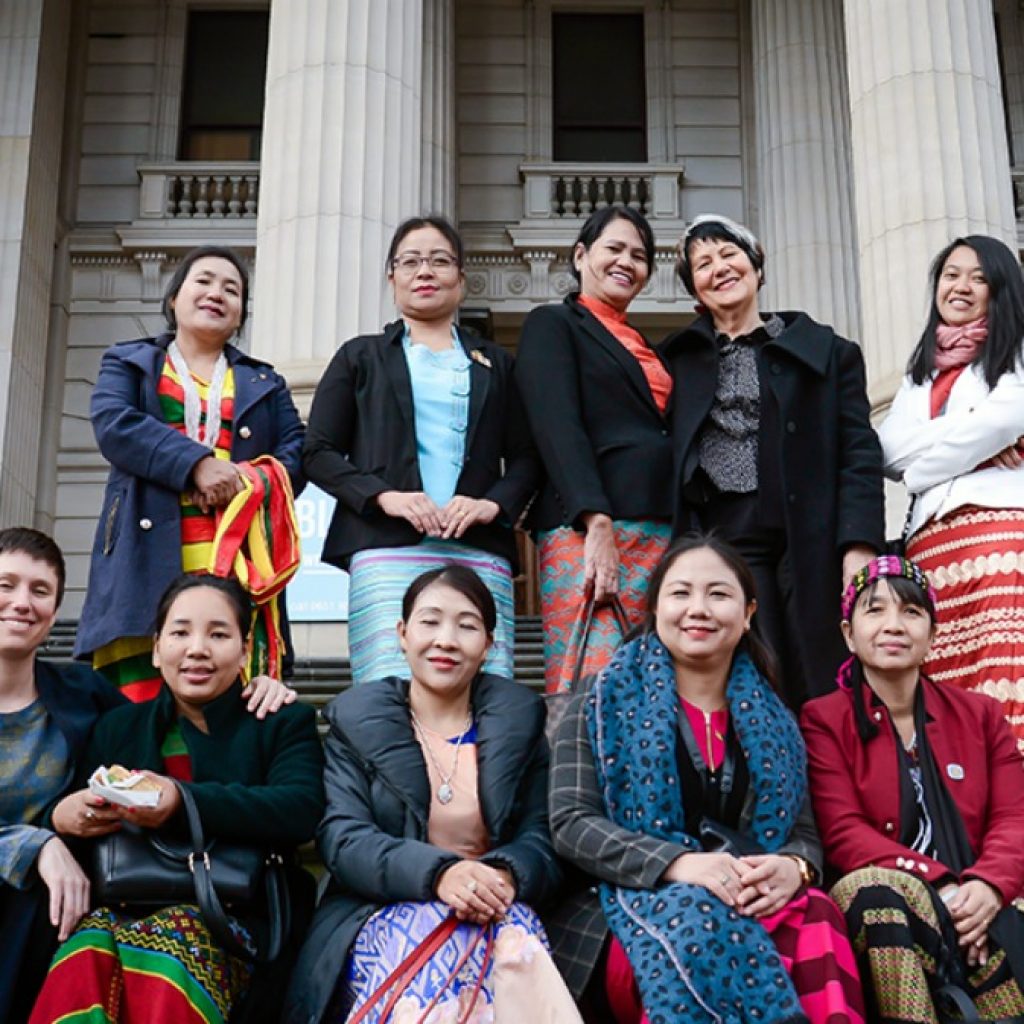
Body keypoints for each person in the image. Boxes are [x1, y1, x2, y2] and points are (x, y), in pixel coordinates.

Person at [547, 534, 865, 1024]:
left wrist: (793, 869)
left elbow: (802, 833)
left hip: (750, 894)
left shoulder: (776, 720)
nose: (698, 609)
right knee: (693, 916)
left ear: (749, 612)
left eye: (718, 594)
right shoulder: (599, 701)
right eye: (680, 593)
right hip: (632, 906)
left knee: (818, 912)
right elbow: (570, 823)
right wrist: (675, 864)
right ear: (654, 607)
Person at [284, 565, 579, 1024]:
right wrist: (440, 876)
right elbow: (343, 839)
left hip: (496, 905)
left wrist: (503, 873)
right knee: (427, 932)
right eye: (430, 621)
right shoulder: (357, 725)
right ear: (402, 634)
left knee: (512, 940)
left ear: (489, 645)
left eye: (466, 625)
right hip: (378, 910)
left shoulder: (519, 727)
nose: (446, 639)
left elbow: (543, 835)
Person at [29, 574, 325, 1024]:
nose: (197, 649)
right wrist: (64, 816)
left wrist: (182, 800)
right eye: (180, 632)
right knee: (84, 951)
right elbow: (73, 816)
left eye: (219, 634)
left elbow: (301, 809)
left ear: (245, 651)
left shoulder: (279, 720)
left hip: (237, 919)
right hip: (126, 904)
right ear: (155, 647)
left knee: (172, 946)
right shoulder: (118, 726)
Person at [303, 216, 538, 684]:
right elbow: (318, 451)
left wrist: (491, 504)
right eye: (410, 261)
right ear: (392, 278)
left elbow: (529, 457)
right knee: (387, 693)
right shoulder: (360, 356)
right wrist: (383, 496)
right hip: (385, 548)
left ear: (462, 280)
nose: (424, 271)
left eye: (439, 261)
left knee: (486, 693)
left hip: (477, 549)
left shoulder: (497, 364)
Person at [663, 215, 884, 707]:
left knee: (826, 672)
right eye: (703, 264)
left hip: (811, 535)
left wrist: (859, 543)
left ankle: (832, 780)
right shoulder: (675, 361)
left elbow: (859, 451)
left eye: (729, 254)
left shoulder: (828, 352)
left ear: (757, 266)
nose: (719, 268)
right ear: (695, 290)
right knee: (752, 673)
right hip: (726, 539)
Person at [75, 244, 306, 700]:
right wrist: (196, 466)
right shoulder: (129, 362)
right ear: (174, 298)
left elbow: (295, 453)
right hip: (145, 561)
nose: (216, 294)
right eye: (203, 281)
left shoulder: (267, 382)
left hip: (236, 563)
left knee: (226, 702)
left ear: (240, 315)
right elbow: (114, 424)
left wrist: (241, 481)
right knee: (140, 710)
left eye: (232, 290)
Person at [801, 555, 1024, 1023]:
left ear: (933, 635)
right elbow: (843, 833)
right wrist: (939, 883)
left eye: (911, 612)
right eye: (875, 610)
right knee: (875, 890)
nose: (893, 625)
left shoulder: (980, 714)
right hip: (890, 898)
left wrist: (986, 885)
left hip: (976, 894)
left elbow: (1015, 816)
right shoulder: (823, 719)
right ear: (848, 634)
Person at [516, 206, 675, 692]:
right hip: (588, 527)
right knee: (595, 676)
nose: (628, 261)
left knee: (656, 679)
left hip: (660, 531)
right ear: (582, 255)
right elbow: (556, 426)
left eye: (640, 255)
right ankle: (580, 770)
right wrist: (596, 519)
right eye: (615, 248)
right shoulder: (553, 324)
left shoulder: (644, 344)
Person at [877, 235, 1024, 752]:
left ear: (999, 290)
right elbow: (889, 450)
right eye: (951, 274)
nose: (961, 286)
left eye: (978, 277)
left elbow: (1005, 419)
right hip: (930, 553)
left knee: (1004, 686)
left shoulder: (1015, 352)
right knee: (946, 696)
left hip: (999, 541)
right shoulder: (924, 370)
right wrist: (976, 443)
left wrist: (925, 469)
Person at [0, 528, 126, 1024]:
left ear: (54, 611)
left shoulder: (82, 692)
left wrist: (256, 689)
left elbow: (169, 724)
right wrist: (35, 844)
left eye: (40, 590)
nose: (21, 602)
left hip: (45, 915)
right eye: (5, 585)